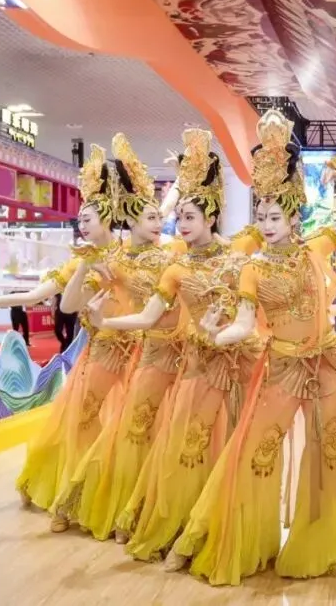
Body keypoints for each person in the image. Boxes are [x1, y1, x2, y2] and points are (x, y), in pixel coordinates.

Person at [164, 109, 336, 584]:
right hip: (283, 367)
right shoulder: (250, 269)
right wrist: (215, 333)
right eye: (261, 216)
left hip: (329, 365)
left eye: (275, 216)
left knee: (327, 454)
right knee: (255, 449)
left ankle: (319, 542)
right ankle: (206, 535)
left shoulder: (315, 248)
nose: (267, 224)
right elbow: (244, 323)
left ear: (293, 215)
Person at [89, 128, 265, 562]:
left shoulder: (238, 254)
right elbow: (147, 317)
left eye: (189, 217)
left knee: (235, 446)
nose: (181, 225)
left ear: (211, 217)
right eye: (179, 217)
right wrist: (104, 320)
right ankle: (180, 528)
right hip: (198, 364)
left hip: (241, 364)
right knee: (187, 447)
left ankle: (224, 531)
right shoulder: (176, 267)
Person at [51, 133, 192, 541]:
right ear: (130, 220)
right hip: (141, 353)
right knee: (130, 431)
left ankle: (156, 509)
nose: (160, 222)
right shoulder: (115, 261)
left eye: (159, 217)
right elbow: (68, 305)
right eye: (151, 217)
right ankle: (102, 504)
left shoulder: (173, 253)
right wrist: (84, 267)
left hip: (182, 353)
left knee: (167, 434)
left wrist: (185, 177)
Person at [0, 144, 119, 518]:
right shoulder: (79, 262)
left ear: (107, 217)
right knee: (78, 424)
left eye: (88, 219)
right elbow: (35, 295)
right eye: (79, 221)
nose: (82, 226)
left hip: (138, 353)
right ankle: (73, 494)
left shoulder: (131, 255)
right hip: (97, 352)